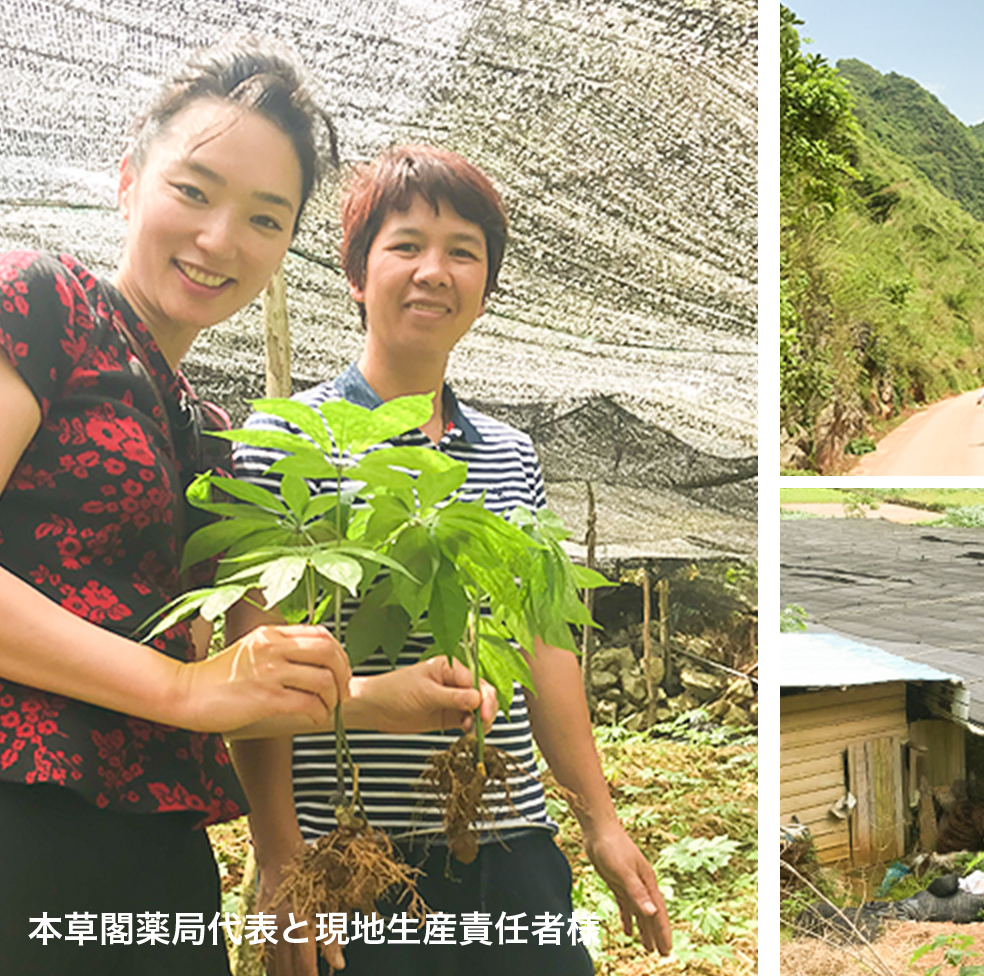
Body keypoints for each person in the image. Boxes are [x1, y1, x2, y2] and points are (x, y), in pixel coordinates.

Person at [0, 38, 495, 975]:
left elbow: (228, 672)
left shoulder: (210, 434)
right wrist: (182, 689)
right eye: (194, 190)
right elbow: (193, 683)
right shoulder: (43, 302)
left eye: (266, 219)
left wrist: (363, 708)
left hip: (154, 845)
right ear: (128, 180)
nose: (222, 240)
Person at [235, 145, 672, 975]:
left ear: (486, 289)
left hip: (510, 844)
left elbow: (545, 646)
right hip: (352, 854)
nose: (434, 270)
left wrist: (599, 820)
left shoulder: (509, 455)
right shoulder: (285, 439)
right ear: (358, 275)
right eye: (405, 245)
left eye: (462, 251)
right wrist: (283, 862)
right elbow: (254, 670)